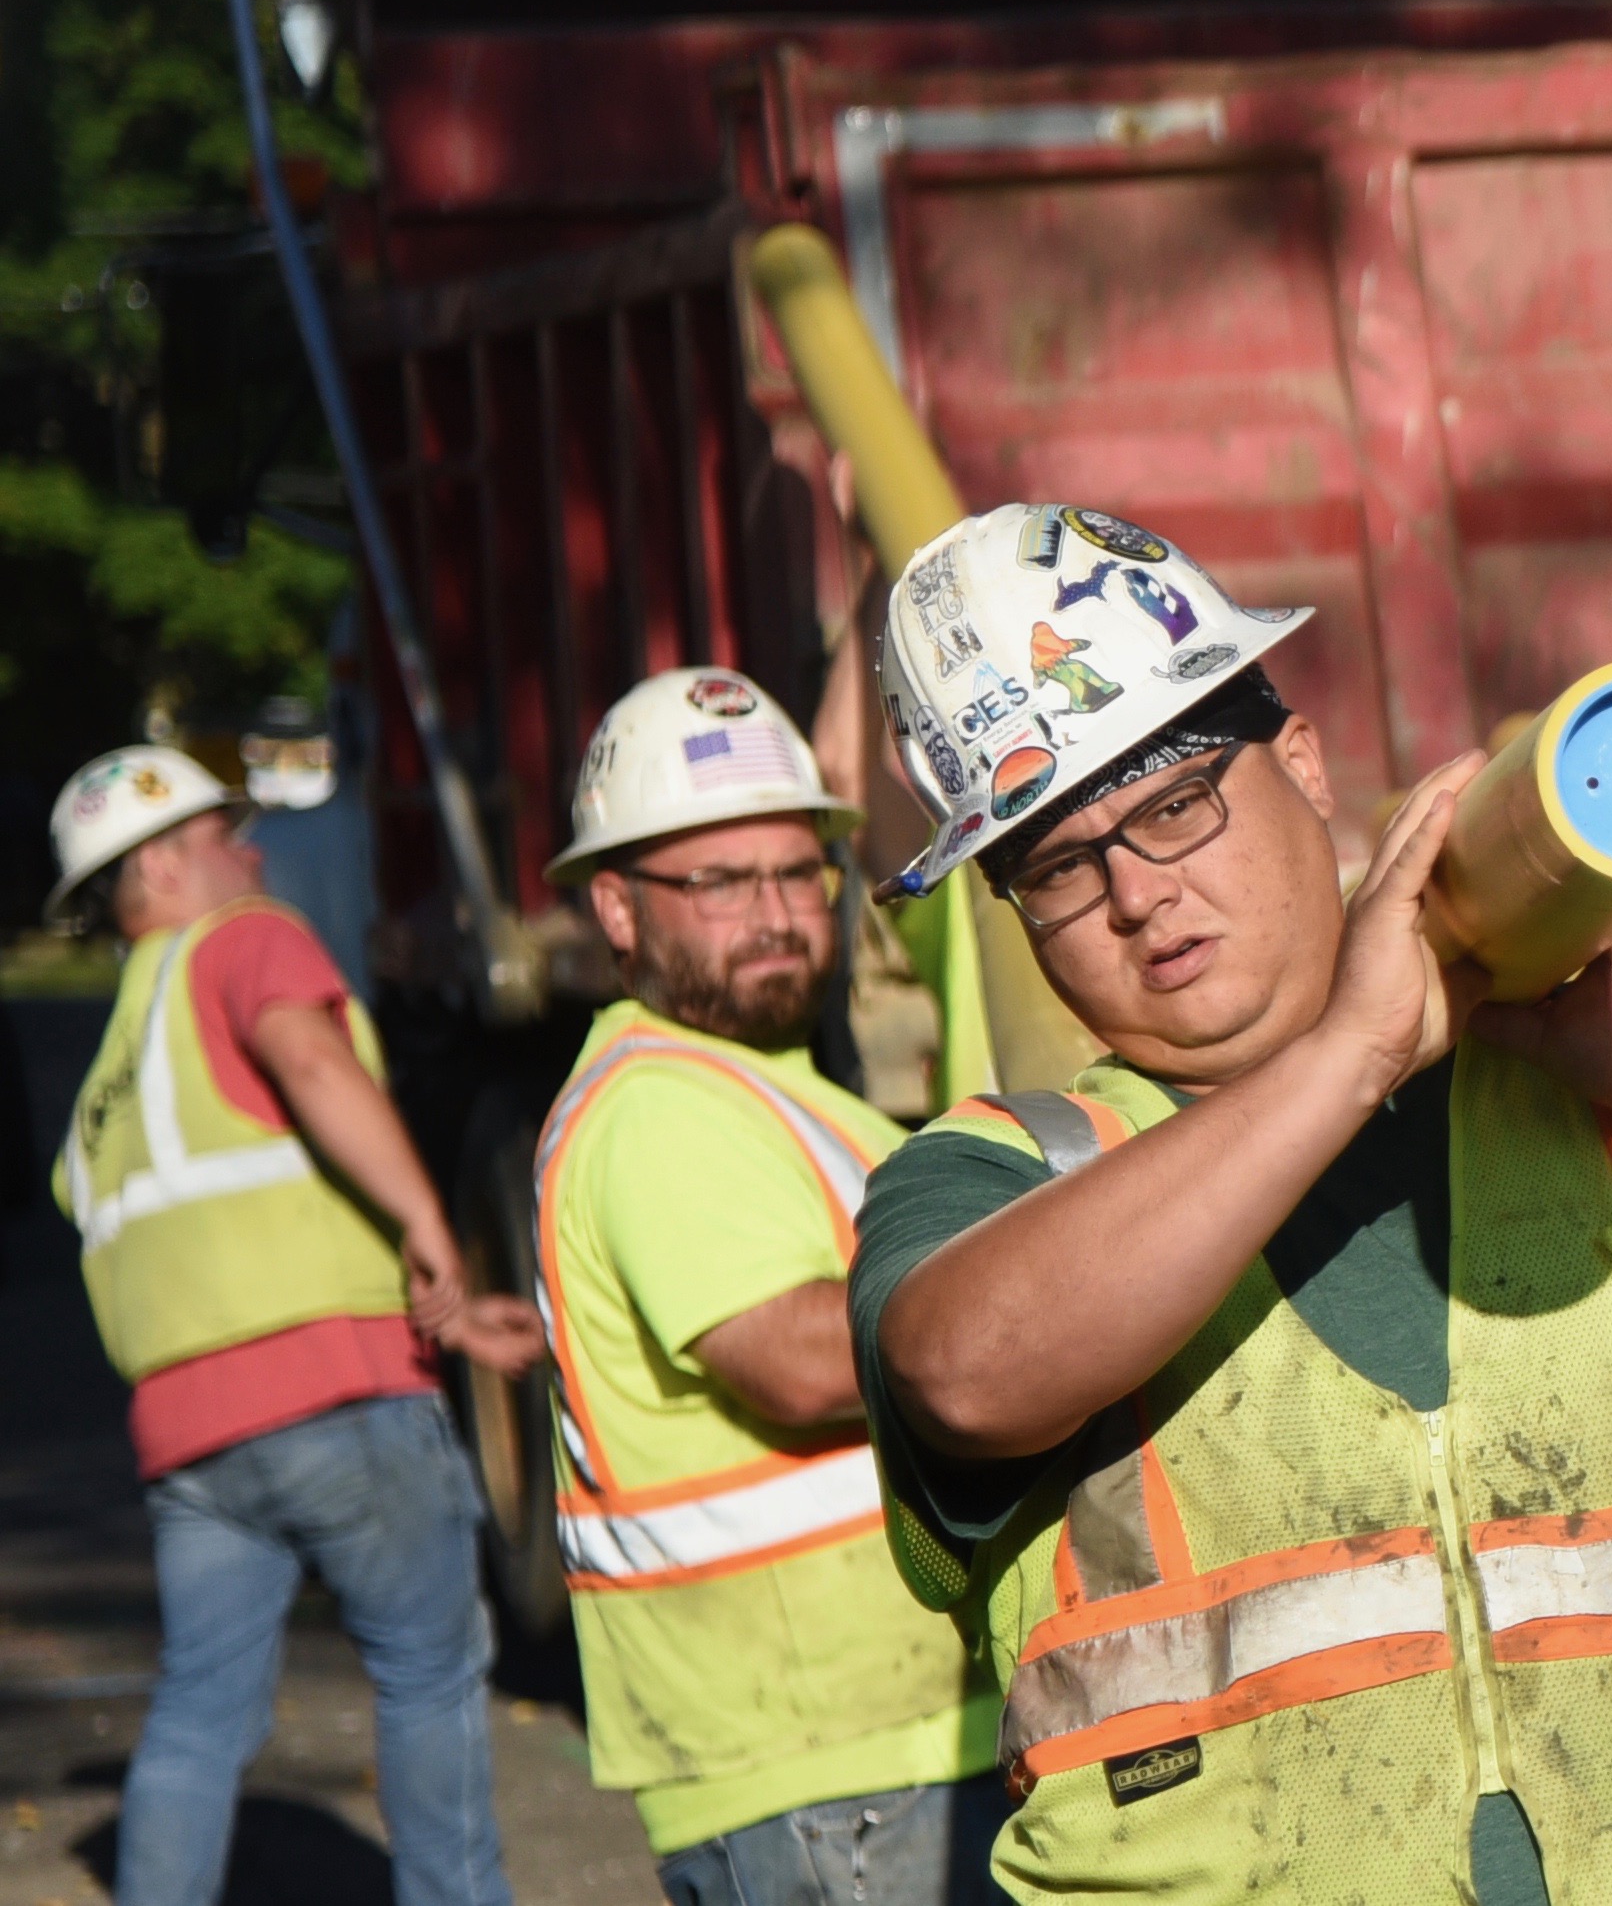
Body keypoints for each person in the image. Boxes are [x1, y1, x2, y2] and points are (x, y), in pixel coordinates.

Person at [846, 506, 1612, 1904]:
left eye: (1176, 801)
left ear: (1300, 764)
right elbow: (970, 1374)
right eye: (1058, 863)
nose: (1137, 892)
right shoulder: (1002, 1176)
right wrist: (1351, 1056)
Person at [533, 669, 1008, 1906]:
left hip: (864, 1739)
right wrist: (1032, 1309)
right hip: (820, 1761)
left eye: (801, 874)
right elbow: (796, 1359)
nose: (778, 913)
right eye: (719, 883)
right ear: (618, 911)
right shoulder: (658, 1105)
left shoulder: (770, 1088)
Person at [46, 744, 539, 1906]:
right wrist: (428, 1223)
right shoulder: (244, 943)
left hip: (191, 1446)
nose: (251, 851)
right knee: (428, 1669)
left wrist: (453, 1325)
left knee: (200, 1708)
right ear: (161, 864)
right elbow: (310, 1063)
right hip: (337, 1402)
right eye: (224, 835)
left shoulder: (106, 1069)